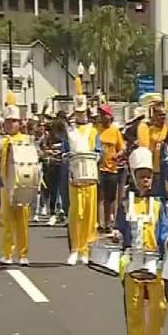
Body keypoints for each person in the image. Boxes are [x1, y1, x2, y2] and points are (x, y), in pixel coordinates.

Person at [111, 146, 168, 335]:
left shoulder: (159, 205)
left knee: (159, 307)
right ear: (134, 177)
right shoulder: (125, 203)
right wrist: (117, 235)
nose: (146, 181)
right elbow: (120, 228)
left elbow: (163, 231)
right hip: (132, 262)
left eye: (149, 176)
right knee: (134, 310)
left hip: (155, 262)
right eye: (141, 176)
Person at [66, 98, 101, 266]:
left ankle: (86, 249)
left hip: (90, 177)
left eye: (83, 112)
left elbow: (98, 150)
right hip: (75, 177)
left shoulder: (93, 131)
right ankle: (75, 249)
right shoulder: (70, 130)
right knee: (75, 214)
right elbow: (65, 150)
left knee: (89, 214)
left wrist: (96, 157)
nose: (81, 115)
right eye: (78, 112)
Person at [0, 106, 32, 266]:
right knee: (6, 220)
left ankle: (23, 254)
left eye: (14, 122)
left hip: (23, 185)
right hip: (6, 185)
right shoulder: (2, 141)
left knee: (22, 221)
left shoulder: (25, 139)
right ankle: (7, 253)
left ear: (19, 123)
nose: (11, 125)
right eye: (8, 122)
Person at [96, 105, 125, 232]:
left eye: (105, 114)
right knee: (99, 197)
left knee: (110, 198)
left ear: (110, 116)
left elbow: (122, 148)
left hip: (112, 168)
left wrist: (117, 155)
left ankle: (108, 222)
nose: (103, 117)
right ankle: (99, 222)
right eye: (101, 114)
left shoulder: (115, 131)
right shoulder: (96, 130)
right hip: (98, 168)